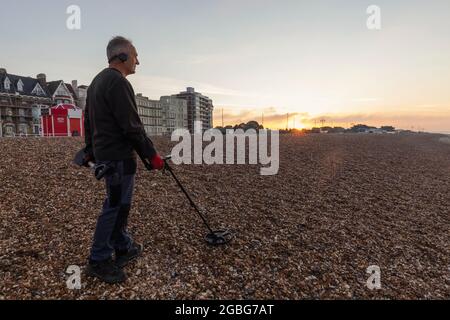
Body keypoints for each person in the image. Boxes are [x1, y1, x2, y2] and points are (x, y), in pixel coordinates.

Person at [83, 36, 164, 284]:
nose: (138, 61)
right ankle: (98, 259)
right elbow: (132, 126)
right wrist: (152, 155)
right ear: (122, 57)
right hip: (118, 158)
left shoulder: (97, 82)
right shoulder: (117, 82)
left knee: (121, 203)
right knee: (115, 205)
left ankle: (122, 244)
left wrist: (91, 151)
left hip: (108, 156)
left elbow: (89, 122)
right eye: (135, 55)